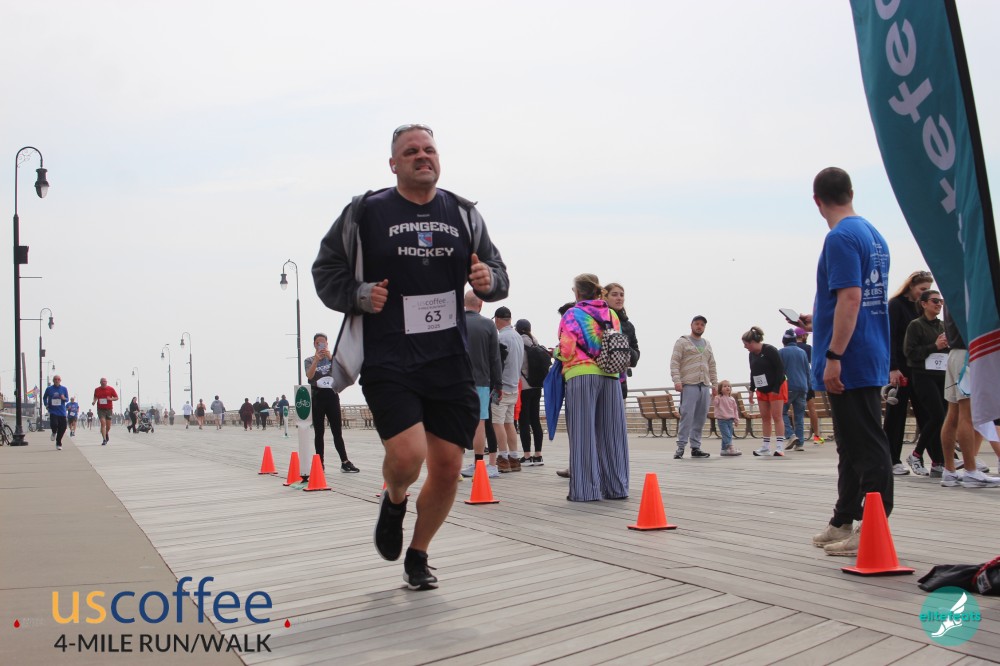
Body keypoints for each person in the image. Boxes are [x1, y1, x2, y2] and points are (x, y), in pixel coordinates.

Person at [311, 123, 508, 589]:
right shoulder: (365, 212)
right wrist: (359, 295)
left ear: (439, 159)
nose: (423, 156)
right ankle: (395, 496)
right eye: (411, 151)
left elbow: (498, 272)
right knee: (407, 457)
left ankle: (418, 555)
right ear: (393, 164)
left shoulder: (463, 214)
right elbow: (326, 270)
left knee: (448, 467)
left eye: (429, 150)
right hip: (390, 358)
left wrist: (489, 281)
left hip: (449, 360)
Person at [808, 167, 893, 558]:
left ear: (817, 200)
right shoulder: (872, 234)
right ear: (851, 192)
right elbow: (853, 298)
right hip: (868, 347)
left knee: (866, 444)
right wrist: (819, 321)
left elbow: (852, 298)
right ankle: (843, 518)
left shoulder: (840, 237)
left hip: (851, 357)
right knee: (849, 443)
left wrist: (834, 356)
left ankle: (874, 525)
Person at [556, 273, 629, 502]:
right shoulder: (611, 314)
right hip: (611, 375)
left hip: (581, 374)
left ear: (577, 292)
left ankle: (586, 491)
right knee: (613, 435)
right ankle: (617, 487)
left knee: (583, 434)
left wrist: (555, 352)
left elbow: (567, 350)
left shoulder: (572, 314)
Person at [939, 307, 1000, 487]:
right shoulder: (969, 295)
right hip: (968, 355)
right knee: (967, 415)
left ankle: (949, 470)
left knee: (953, 414)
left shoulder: (951, 297)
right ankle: (971, 471)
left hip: (954, 354)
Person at [885, 270, 934, 475]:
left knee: (927, 412)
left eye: (928, 290)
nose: (925, 293)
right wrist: (893, 367)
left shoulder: (920, 308)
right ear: (911, 286)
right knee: (896, 415)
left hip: (918, 368)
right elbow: (890, 338)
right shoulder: (896, 305)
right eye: (922, 289)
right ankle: (891, 459)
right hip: (900, 368)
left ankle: (935, 458)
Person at [902, 289, 948, 476]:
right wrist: (934, 346)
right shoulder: (916, 325)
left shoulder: (943, 325)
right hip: (923, 375)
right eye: (935, 301)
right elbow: (910, 352)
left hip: (942, 376)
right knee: (937, 416)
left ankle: (938, 461)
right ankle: (916, 454)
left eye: (941, 301)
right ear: (923, 304)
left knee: (943, 418)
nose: (939, 304)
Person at [461, 290, 502, 479]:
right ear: (481, 304)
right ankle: (479, 463)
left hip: (456, 381)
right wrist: (498, 384)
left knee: (456, 421)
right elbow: (495, 358)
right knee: (480, 422)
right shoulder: (488, 325)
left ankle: (455, 464)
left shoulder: (455, 322)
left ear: (464, 303)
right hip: (481, 381)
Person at [305, 333, 359, 473]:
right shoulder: (309, 360)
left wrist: (330, 358)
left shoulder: (333, 359)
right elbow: (309, 376)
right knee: (319, 432)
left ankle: (345, 462)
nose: (321, 345)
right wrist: (316, 361)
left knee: (337, 431)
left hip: (332, 396)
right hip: (317, 397)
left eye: (323, 343)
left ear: (327, 344)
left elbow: (342, 372)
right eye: (318, 343)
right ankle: (319, 463)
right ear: (314, 345)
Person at [670, 315, 717, 459]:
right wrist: (677, 380)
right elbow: (675, 362)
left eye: (702, 324)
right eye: (697, 324)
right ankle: (680, 447)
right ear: (691, 325)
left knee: (700, 417)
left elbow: (712, 365)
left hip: (705, 385)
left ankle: (696, 447)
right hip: (689, 384)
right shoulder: (682, 342)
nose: (699, 326)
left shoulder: (707, 344)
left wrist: (715, 384)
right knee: (687, 416)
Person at [743, 327, 787, 457]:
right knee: (765, 417)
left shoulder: (770, 350)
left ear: (752, 342)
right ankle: (765, 447)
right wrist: (752, 389)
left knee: (777, 416)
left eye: (746, 344)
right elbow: (753, 372)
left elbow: (780, 369)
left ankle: (779, 447)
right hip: (762, 388)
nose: (745, 347)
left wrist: (775, 389)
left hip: (776, 386)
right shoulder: (751, 354)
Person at [492, 307, 524, 472]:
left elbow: (498, 363)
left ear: (497, 319)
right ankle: (514, 457)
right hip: (514, 385)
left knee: (497, 423)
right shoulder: (518, 336)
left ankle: (503, 458)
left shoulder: (501, 338)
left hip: (502, 386)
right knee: (509, 423)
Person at [515, 319, 545, 466]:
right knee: (535, 420)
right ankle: (538, 455)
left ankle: (527, 456)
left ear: (518, 329)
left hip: (524, 387)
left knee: (524, 422)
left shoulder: (519, 342)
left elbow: (517, 365)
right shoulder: (535, 342)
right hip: (537, 386)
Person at [605, 282, 640, 398]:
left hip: (620, 381)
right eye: (614, 294)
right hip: (599, 377)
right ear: (605, 297)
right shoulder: (598, 321)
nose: (619, 298)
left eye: (621, 295)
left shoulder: (628, 325)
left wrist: (623, 349)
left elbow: (636, 355)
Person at [779, 328, 810, 451]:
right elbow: (807, 371)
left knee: (781, 412)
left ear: (784, 341)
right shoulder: (802, 352)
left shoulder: (781, 352)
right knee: (799, 416)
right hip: (803, 387)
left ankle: (790, 435)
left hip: (788, 387)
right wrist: (808, 386)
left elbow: (778, 371)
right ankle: (800, 444)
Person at [794, 327, 823, 444]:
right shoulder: (808, 348)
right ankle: (817, 436)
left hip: (793, 383)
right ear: (803, 336)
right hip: (806, 381)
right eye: (807, 335)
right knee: (812, 408)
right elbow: (815, 364)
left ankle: (796, 436)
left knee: (795, 410)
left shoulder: (789, 348)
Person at [713, 380, 741, 456]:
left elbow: (735, 410)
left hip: (730, 420)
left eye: (729, 386)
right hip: (722, 420)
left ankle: (724, 449)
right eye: (724, 386)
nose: (727, 387)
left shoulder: (732, 399)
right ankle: (731, 448)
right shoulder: (719, 398)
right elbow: (715, 404)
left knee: (728, 434)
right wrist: (715, 396)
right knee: (727, 435)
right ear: (720, 389)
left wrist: (736, 419)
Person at [43, 375, 69, 451]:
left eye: (58, 379)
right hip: (53, 410)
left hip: (62, 411)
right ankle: (54, 432)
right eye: (55, 379)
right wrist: (46, 404)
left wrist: (64, 398)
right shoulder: (49, 389)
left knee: (63, 427)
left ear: (60, 380)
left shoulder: (64, 389)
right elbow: (44, 397)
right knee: (54, 424)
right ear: (53, 380)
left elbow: (67, 399)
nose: (57, 380)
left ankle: (58, 442)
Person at [91, 378, 119, 445]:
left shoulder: (111, 389)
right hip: (100, 409)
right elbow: (95, 397)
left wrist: (110, 399)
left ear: (106, 382)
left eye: (105, 381)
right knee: (103, 423)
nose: (104, 382)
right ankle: (104, 439)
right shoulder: (97, 389)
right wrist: (94, 401)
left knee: (108, 426)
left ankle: (106, 433)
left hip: (109, 409)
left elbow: (116, 397)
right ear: (100, 382)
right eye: (102, 381)